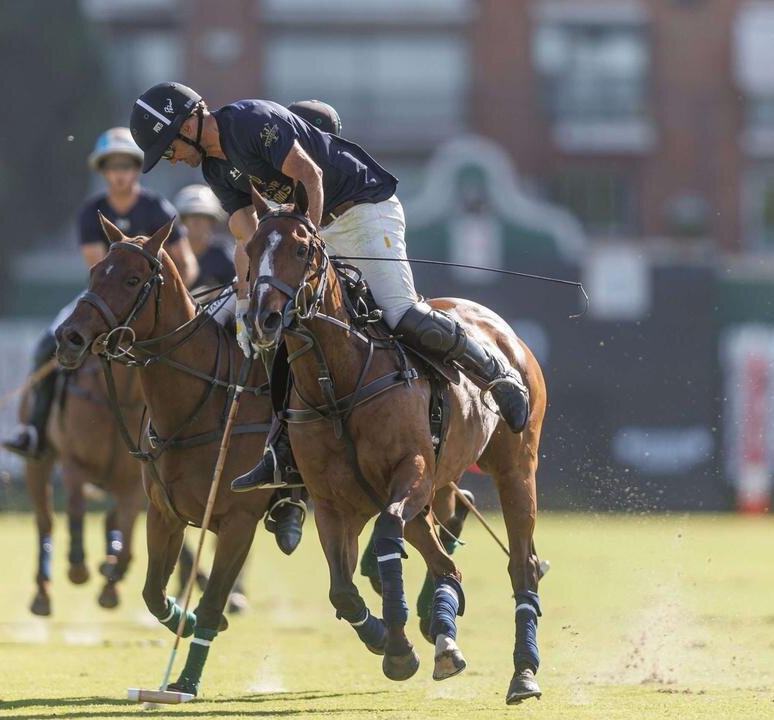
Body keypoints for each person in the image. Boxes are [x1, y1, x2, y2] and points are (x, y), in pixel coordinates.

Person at [126, 83, 530, 493]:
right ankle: (283, 451)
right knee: (291, 333)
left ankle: (497, 377)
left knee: (399, 312)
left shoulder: (250, 122)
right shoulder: (215, 170)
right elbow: (248, 234)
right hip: (313, 233)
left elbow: (310, 175)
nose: (172, 160)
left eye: (168, 147)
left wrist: (310, 238)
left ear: (188, 122)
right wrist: (249, 303)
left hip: (362, 208)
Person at [1, 127, 186, 459]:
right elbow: (97, 266)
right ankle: (34, 431)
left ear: (135, 169)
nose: (120, 174)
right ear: (103, 171)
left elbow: (185, 262)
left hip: (157, 298)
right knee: (48, 343)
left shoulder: (158, 208)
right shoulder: (92, 212)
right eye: (112, 167)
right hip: (106, 296)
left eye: (126, 165)